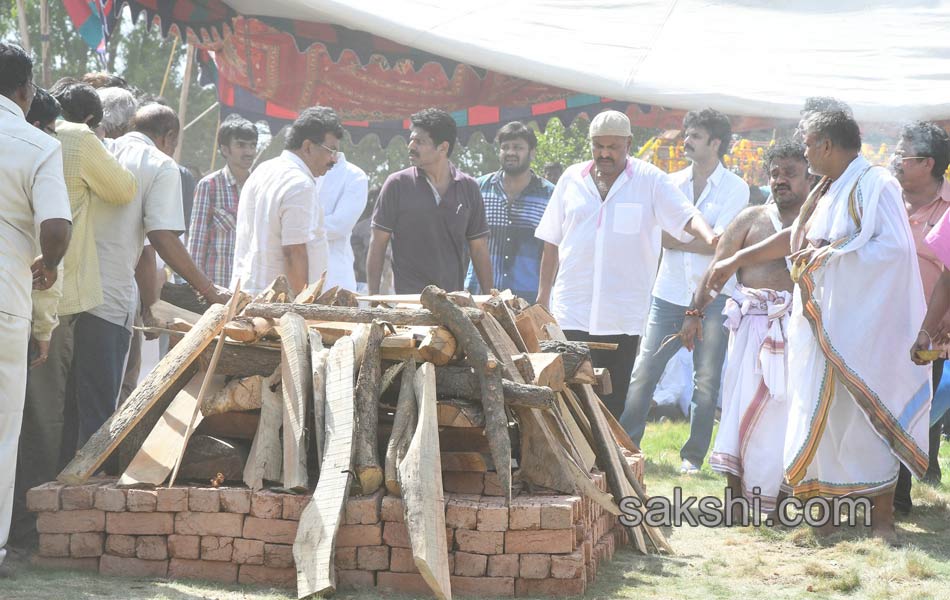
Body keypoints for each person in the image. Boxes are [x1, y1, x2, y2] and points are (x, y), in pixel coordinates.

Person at [710, 104, 929, 542]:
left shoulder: (876, 183)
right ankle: (821, 522)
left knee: (867, 424)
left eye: (809, 143)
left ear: (827, 144)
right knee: (818, 422)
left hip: (860, 332)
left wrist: (827, 258)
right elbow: (801, 241)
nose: (805, 152)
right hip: (820, 327)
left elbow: (894, 254)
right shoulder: (827, 188)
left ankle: (882, 523)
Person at [12, 81, 138, 541]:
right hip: (55, 300)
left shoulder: (22, 140)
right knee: (49, 417)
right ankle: (34, 526)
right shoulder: (71, 139)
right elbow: (123, 189)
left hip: (25, 295)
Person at [65, 103, 228, 453]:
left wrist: (151, 305)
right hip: (106, 302)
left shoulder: (104, 149)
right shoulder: (161, 164)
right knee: (98, 420)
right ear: (169, 137)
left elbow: (144, 250)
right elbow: (162, 238)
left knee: (67, 413)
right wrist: (209, 290)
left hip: (67, 295)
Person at [534, 109, 718, 417]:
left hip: (622, 316)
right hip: (571, 310)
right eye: (598, 146)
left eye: (613, 147)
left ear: (629, 144)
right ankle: (576, 462)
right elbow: (550, 240)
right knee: (568, 399)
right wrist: (542, 297)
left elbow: (687, 216)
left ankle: (609, 463)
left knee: (612, 398)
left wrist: (710, 238)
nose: (604, 154)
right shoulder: (571, 179)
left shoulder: (650, 180)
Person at [680, 139, 811, 516]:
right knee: (739, 410)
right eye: (775, 173)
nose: (780, 180)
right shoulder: (750, 219)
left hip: (801, 330)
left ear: (808, 176)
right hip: (752, 329)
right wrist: (694, 313)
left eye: (790, 173)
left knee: (792, 414)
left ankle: (786, 498)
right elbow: (717, 270)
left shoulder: (818, 222)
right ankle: (736, 500)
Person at [620, 110, 748, 465]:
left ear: (716, 143)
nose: (686, 141)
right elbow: (658, 234)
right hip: (669, 292)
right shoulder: (669, 183)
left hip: (715, 295)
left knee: (706, 382)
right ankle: (627, 448)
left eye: (694, 135)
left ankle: (692, 458)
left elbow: (721, 245)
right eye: (686, 134)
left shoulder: (737, 187)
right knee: (645, 371)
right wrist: (694, 240)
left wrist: (677, 240)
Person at [0, 42, 72, 569]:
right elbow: (56, 226)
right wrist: (47, 265)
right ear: (24, 90)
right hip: (6, 299)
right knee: (4, 432)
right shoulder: (35, 143)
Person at [368, 108, 492, 295]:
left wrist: (491, 298)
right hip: (407, 303)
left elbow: (479, 249)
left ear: (443, 147)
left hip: (452, 303)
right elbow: (378, 244)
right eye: (411, 139)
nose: (411, 146)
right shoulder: (397, 185)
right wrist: (373, 297)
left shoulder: (469, 188)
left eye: (419, 142)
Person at [892, 121, 950, 513]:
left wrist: (932, 327)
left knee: (913, 407)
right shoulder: (884, 199)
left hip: (928, 332)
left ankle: (897, 495)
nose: (894, 158)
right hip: (878, 323)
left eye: (903, 153)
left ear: (927, 163)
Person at [232, 106, 342, 295]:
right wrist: (302, 306)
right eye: (330, 151)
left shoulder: (262, 170)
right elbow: (293, 253)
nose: (334, 160)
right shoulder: (300, 184)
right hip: (277, 310)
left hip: (247, 297)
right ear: (307, 147)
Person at [465, 121, 555, 302]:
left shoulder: (549, 195)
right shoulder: (478, 189)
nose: (511, 152)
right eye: (505, 147)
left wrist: (544, 298)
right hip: (480, 298)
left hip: (527, 300)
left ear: (532, 152)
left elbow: (554, 250)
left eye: (518, 147)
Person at [188, 115, 259, 287]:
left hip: (250, 288)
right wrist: (196, 288)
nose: (249, 152)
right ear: (225, 150)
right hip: (216, 289)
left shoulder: (261, 186)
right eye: (241, 145)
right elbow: (197, 243)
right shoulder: (209, 186)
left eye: (252, 145)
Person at [317, 151, 369, 291]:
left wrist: (296, 224)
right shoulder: (294, 172)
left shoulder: (354, 176)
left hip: (335, 279)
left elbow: (338, 226)